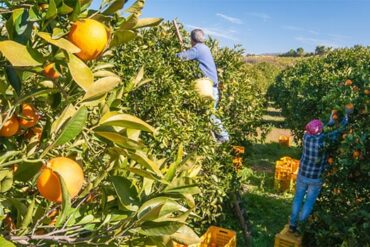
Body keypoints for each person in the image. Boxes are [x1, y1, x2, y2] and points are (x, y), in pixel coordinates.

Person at [289, 109, 350, 234]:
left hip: (303, 174)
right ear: (320, 131)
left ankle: (292, 224)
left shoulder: (306, 137)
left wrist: (329, 123)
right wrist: (345, 118)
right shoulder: (324, 140)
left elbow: (319, 132)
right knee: (309, 202)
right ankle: (301, 226)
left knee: (298, 198)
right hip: (316, 178)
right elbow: (337, 132)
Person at [176, 29, 229, 143]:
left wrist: (172, 55)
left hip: (208, 88)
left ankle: (224, 137)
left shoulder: (198, 49)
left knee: (209, 115)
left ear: (192, 39)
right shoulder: (204, 48)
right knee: (206, 115)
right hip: (210, 87)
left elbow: (182, 57)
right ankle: (209, 140)